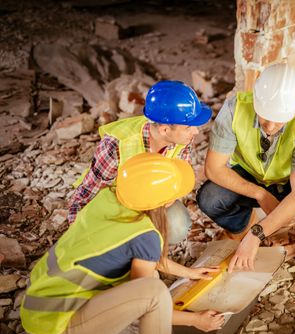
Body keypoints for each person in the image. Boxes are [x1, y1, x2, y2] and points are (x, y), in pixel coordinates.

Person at [21, 153, 224, 334]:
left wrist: (190, 273)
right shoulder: (146, 235)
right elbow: (150, 301)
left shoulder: (109, 197)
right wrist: (196, 320)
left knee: (149, 275)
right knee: (155, 291)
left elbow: (145, 254)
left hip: (37, 308)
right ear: (164, 203)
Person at [196, 63, 295, 272]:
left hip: (289, 179)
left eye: (279, 121)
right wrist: (260, 194)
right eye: (265, 116)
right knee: (210, 198)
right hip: (249, 174)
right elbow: (214, 169)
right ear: (256, 99)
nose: (270, 126)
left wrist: (257, 234)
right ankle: (242, 225)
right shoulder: (235, 108)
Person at [68, 80, 212, 243]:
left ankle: (148, 251)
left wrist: (168, 197)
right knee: (117, 242)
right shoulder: (115, 146)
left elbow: (176, 177)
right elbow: (88, 194)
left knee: (177, 226)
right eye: (189, 127)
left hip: (148, 198)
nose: (196, 131)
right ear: (164, 129)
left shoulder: (182, 139)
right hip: (115, 204)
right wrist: (78, 233)